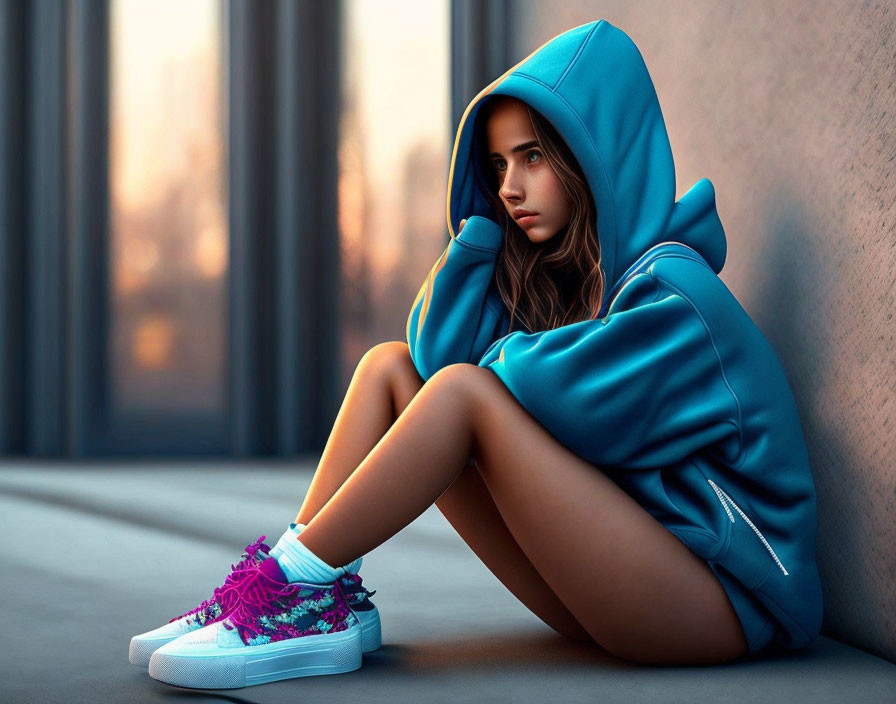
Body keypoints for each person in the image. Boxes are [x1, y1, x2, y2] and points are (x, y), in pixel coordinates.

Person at [129, 19, 823, 689]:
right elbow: (432, 357)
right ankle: (309, 592)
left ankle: (292, 588)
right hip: (620, 583)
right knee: (390, 367)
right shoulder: (576, 287)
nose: (509, 188)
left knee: (464, 393)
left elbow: (567, 405)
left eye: (532, 157)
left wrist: (479, 381)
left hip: (722, 603)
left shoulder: (676, 290)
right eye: (495, 166)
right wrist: (479, 234)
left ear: (596, 155)